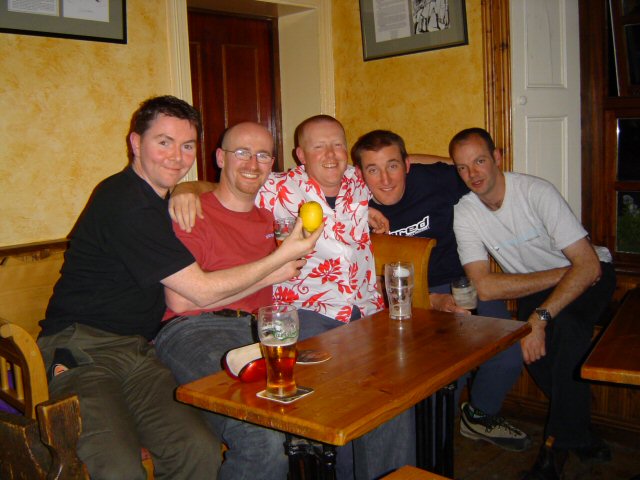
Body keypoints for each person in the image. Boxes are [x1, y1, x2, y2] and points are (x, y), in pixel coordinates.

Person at [37, 96, 317, 479]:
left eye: (186, 146)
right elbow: (197, 292)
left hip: (140, 351)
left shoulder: (161, 201)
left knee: (197, 451)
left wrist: (188, 188)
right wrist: (279, 261)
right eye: (164, 142)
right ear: (136, 143)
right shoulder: (124, 202)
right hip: (82, 348)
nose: (176, 156)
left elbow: (222, 187)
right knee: (118, 468)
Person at [169, 115, 415, 479]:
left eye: (337, 145)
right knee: (349, 392)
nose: (330, 155)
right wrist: (183, 189)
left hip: (367, 311)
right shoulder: (276, 187)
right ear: (300, 155)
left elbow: (399, 159)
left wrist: (369, 207)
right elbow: (231, 183)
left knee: (396, 395)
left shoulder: (358, 179)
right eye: (319, 146)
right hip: (310, 314)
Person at [153, 121, 322, 480]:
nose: (252, 163)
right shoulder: (192, 211)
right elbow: (181, 302)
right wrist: (272, 270)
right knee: (262, 437)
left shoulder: (269, 217)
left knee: (322, 409)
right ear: (220, 158)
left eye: (263, 155)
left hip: (258, 332)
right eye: (242, 152)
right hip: (194, 329)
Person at [449, 127, 616, 480]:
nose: (472, 174)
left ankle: (553, 453)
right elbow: (485, 288)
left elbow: (590, 268)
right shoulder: (465, 212)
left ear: (497, 158)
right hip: (545, 282)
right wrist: (564, 273)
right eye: (462, 167)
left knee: (567, 328)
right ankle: (580, 434)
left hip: (593, 278)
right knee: (534, 354)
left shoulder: (536, 192)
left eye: (479, 161)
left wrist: (539, 319)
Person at [351, 129, 531, 452]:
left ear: (408, 165)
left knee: (508, 349)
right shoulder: (351, 205)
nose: (386, 180)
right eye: (373, 169)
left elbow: (466, 168)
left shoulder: (433, 181)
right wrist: (430, 301)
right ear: (359, 174)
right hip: (400, 298)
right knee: (444, 371)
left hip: (461, 282)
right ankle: (433, 443)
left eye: (393, 165)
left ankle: (479, 415)